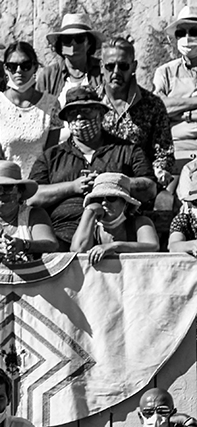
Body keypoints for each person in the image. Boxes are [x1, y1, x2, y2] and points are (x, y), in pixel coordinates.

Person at [28, 86, 155, 249]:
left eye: (87, 110)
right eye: (73, 112)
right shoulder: (51, 156)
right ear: (66, 118)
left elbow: (150, 188)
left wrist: (108, 183)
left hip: (116, 236)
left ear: (101, 113)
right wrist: (73, 187)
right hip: (63, 236)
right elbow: (32, 197)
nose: (80, 116)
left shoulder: (127, 150)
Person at [0, 42, 62, 177]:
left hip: (40, 182)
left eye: (25, 66)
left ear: (35, 67)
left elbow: (50, 155)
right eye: (12, 66)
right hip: (4, 182)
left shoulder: (52, 105)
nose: (19, 71)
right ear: (5, 68)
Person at [100, 37, 174, 188]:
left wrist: (160, 170)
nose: (116, 72)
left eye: (123, 66)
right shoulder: (91, 104)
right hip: (98, 183)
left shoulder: (152, 105)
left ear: (133, 67)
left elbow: (163, 153)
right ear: (101, 67)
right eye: (110, 66)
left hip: (138, 186)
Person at [0, 160, 59, 262]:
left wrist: (24, 245)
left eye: (8, 187)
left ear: (20, 192)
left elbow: (51, 244)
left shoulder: (34, 215)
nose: (0, 193)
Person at [70, 171, 159, 261]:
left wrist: (114, 246)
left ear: (126, 203)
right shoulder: (90, 227)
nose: (104, 203)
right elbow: (78, 250)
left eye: (111, 198)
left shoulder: (140, 222)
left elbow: (152, 246)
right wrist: (90, 210)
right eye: (99, 199)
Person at [153, 6, 197, 170]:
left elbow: (168, 106)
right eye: (181, 33)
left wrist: (178, 106)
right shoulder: (165, 72)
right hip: (177, 149)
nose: (187, 38)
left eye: (194, 32)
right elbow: (159, 107)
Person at [37, 13, 103, 105]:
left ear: (89, 43)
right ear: (61, 44)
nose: (73, 44)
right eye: (67, 39)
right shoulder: (48, 76)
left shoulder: (102, 70)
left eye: (79, 38)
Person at [168, 183, 197, 252]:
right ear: (189, 205)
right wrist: (192, 245)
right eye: (196, 202)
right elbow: (173, 246)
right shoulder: (183, 220)